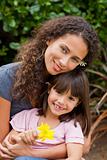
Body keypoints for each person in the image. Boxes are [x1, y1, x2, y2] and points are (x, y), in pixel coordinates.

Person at [0, 15, 99, 158]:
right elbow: (3, 146)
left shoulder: (70, 86)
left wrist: (32, 151)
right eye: (64, 50)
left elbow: (84, 145)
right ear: (49, 39)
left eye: (75, 59)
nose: (64, 62)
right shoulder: (6, 77)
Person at [0, 70, 90, 160]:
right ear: (49, 89)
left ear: (78, 103)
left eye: (71, 98)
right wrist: (21, 137)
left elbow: (75, 157)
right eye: (59, 92)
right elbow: (5, 147)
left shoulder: (71, 126)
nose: (61, 101)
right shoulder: (27, 117)